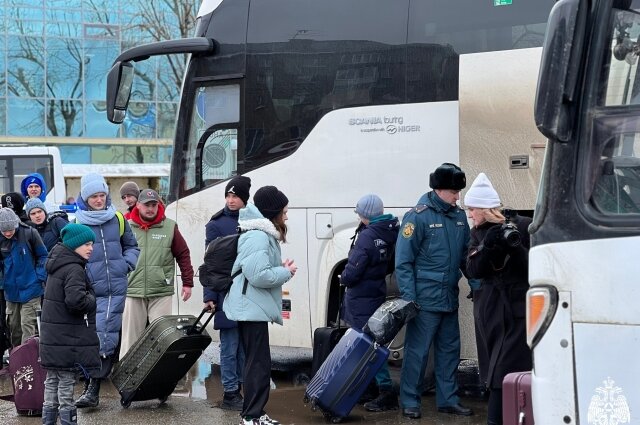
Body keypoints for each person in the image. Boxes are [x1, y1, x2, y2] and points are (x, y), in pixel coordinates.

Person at [395, 163, 473, 419]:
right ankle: (409, 400)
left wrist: (476, 284)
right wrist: (410, 299)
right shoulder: (418, 217)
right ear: (439, 190)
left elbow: (465, 257)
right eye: (453, 191)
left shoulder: (459, 217)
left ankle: (448, 399)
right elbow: (403, 262)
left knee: (450, 352)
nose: (457, 196)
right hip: (424, 301)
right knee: (417, 353)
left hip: (449, 298)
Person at [224, 185, 297, 425]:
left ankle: (255, 413)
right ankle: (251, 416)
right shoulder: (257, 235)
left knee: (257, 363)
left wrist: (280, 269)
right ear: (273, 211)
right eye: (284, 211)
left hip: (252, 306)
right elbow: (259, 275)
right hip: (251, 308)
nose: (286, 215)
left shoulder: (260, 233)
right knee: (257, 365)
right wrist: (285, 272)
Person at [464, 173, 532, 425]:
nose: (470, 214)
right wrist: (488, 247)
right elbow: (472, 270)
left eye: (472, 209)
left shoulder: (521, 226)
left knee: (503, 372)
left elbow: (534, 269)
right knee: (495, 371)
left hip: (518, 312)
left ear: (484, 208)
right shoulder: (477, 234)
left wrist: (514, 246)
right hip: (491, 313)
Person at [72, 173, 140, 409]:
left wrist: (126, 264)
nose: (99, 200)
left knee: (112, 335)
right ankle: (96, 386)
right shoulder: (77, 223)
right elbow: (71, 255)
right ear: (85, 197)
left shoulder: (118, 219)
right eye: (94, 196)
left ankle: (99, 388)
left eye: (102, 195)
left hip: (117, 287)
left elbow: (131, 245)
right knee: (97, 336)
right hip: (92, 289)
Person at [340, 194, 399, 412]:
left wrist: (343, 278)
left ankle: (385, 391)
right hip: (376, 291)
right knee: (373, 340)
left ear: (365, 214)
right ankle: (372, 387)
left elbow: (354, 269)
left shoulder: (367, 236)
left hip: (361, 295)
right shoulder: (390, 230)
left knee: (369, 344)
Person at [120, 189, 194, 358]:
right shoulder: (126, 226)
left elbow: (183, 254)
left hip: (161, 291)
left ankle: (161, 378)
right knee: (130, 341)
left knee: (162, 340)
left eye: (154, 205)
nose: (150, 208)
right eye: (147, 205)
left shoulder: (170, 226)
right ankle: (126, 379)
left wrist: (188, 282)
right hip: (132, 290)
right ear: (138, 205)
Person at [39, 223, 101, 425]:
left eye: (92, 244)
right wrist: (91, 297)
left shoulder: (56, 266)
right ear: (74, 245)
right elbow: (76, 302)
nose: (90, 248)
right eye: (86, 244)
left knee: (52, 380)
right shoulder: (74, 268)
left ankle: (48, 421)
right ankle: (68, 420)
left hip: (53, 337)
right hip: (66, 338)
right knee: (66, 382)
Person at [203, 175, 251, 410]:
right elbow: (210, 264)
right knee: (230, 346)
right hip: (226, 293)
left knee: (245, 346)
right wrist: (210, 296)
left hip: (249, 294)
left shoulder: (254, 220)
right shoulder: (216, 224)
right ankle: (230, 392)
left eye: (236, 196)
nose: (231, 200)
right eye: (228, 195)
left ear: (245, 198)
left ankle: (241, 388)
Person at [0, 207, 47, 348]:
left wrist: (39, 277)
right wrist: (2, 282)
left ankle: (29, 362)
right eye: (4, 231)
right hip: (10, 291)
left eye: (11, 230)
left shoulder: (29, 233)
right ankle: (17, 362)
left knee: (28, 327)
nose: (8, 233)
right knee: (14, 328)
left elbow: (43, 256)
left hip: (32, 288)